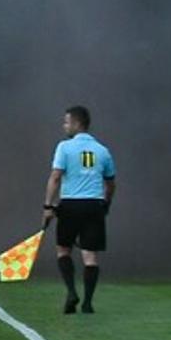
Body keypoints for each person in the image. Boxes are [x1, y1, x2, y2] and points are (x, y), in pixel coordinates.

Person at [42, 105, 116, 315]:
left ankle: (72, 292)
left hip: (70, 205)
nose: (64, 125)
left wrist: (48, 206)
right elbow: (111, 183)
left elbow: (56, 177)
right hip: (94, 205)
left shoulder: (64, 147)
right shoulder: (103, 150)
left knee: (64, 249)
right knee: (90, 256)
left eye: (66, 122)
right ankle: (88, 303)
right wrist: (106, 203)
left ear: (76, 123)